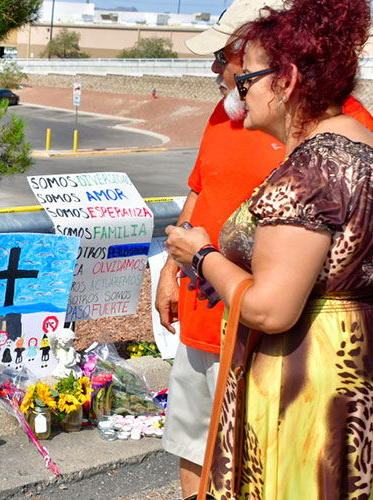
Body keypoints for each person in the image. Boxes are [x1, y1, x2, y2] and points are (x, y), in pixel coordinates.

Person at [155, 0, 373, 497]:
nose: (238, 89)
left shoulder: (309, 171)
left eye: (247, 78)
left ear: (287, 80)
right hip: (347, 366)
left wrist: (205, 258)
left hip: (299, 377)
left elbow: (272, 310)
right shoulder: (359, 148)